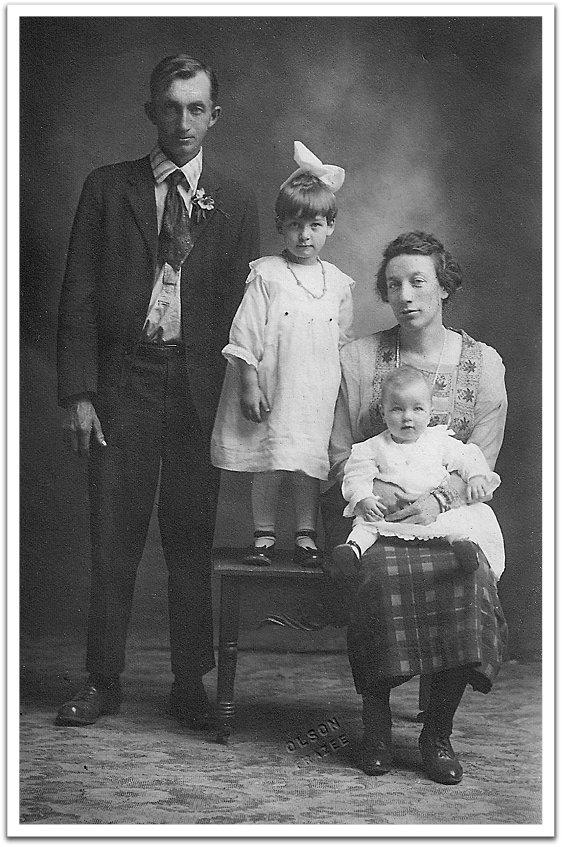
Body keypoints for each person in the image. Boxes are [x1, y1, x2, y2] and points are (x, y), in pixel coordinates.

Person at [55, 54, 260, 728]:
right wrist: (79, 393)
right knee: (113, 535)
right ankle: (101, 678)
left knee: (191, 540)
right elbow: (78, 294)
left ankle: (188, 683)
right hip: (125, 383)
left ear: (214, 115)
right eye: (170, 107)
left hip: (199, 390)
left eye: (196, 108)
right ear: (151, 112)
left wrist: (246, 389)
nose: (183, 121)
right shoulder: (108, 188)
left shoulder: (235, 201)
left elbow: (247, 310)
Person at [322, 231, 508, 785]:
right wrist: (376, 491)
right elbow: (340, 452)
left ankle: (437, 733)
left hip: (450, 520)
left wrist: (436, 500)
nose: (405, 295)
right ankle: (377, 727)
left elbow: (480, 464)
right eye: (394, 284)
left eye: (418, 281)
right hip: (376, 518)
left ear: (443, 286)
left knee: (468, 576)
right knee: (378, 578)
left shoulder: (484, 364)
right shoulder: (358, 359)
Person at [211, 142, 354, 567]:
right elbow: (246, 332)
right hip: (275, 387)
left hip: (316, 391)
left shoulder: (338, 283)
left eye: (315, 225)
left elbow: (342, 342)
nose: (304, 235)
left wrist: (340, 395)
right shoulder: (267, 274)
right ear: (281, 226)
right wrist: (249, 384)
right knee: (271, 460)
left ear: (330, 227)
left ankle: (306, 534)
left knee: (309, 462)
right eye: (295, 225)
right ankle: (264, 535)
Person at [334, 365, 504, 578]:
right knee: (366, 524)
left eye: (417, 409)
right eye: (397, 409)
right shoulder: (372, 447)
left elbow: (467, 456)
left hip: (435, 510)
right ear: (383, 412)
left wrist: (476, 476)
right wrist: (363, 498)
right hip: (390, 514)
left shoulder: (439, 441)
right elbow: (355, 475)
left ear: (430, 411)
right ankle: (353, 549)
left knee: (456, 520)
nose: (407, 417)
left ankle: (463, 546)